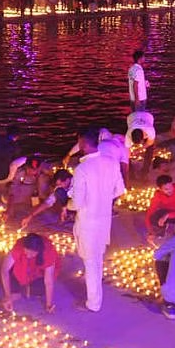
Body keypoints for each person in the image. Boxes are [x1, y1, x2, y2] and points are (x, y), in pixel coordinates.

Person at [70, 128, 126, 312]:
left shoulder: (82, 169)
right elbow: (119, 191)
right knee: (97, 260)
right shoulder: (111, 162)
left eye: (79, 142)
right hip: (104, 220)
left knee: (90, 262)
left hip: (88, 223)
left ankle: (93, 303)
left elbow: (77, 203)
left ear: (84, 144)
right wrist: (102, 197)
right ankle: (95, 297)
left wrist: (65, 203)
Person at [0, 233, 61, 314]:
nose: (28, 256)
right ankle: (21, 292)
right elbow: (4, 270)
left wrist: (48, 305)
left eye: (32, 254)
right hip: (20, 269)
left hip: (37, 274)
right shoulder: (19, 248)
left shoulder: (48, 252)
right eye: (27, 252)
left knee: (41, 289)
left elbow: (48, 281)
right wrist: (8, 296)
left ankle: (21, 293)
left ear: (38, 251)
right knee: (9, 281)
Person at [146, 175, 175, 244]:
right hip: (165, 211)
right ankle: (161, 231)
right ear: (160, 189)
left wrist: (168, 215)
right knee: (153, 218)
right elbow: (150, 212)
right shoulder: (158, 195)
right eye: (166, 189)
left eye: (171, 187)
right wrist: (151, 232)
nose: (170, 190)